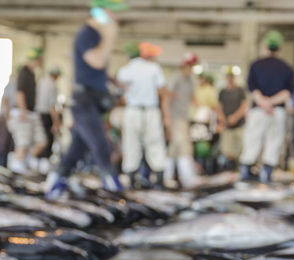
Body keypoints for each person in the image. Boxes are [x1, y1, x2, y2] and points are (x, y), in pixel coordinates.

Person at [45, 0, 128, 199]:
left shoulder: (95, 36)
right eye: (112, 13)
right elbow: (97, 61)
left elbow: (93, 69)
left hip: (92, 102)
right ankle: (114, 188)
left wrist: (114, 81)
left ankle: (54, 184)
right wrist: (109, 35)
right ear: (100, 13)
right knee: (101, 146)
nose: (116, 18)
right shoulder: (87, 35)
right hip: (83, 102)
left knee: (77, 148)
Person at [239, 30, 294, 182]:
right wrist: (271, 103)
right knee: (273, 145)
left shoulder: (256, 65)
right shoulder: (287, 68)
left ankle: (245, 177)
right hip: (277, 111)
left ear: (265, 46)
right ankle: (266, 178)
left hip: (259, 110)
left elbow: (253, 89)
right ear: (280, 47)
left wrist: (263, 102)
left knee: (252, 143)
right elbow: (288, 92)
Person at [116, 41, 169, 189]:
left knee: (131, 144)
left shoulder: (124, 70)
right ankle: (159, 183)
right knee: (156, 144)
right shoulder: (154, 68)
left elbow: (120, 96)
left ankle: (132, 183)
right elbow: (162, 91)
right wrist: (166, 116)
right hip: (151, 111)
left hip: (133, 111)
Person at [8, 47, 47, 173]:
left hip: (32, 113)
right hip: (22, 113)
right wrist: (23, 109)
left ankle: (26, 160)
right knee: (22, 143)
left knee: (42, 141)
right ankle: (17, 167)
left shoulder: (32, 73)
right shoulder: (23, 72)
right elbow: (19, 93)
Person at [166, 52, 197, 187]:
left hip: (183, 118)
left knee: (174, 148)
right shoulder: (176, 78)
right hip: (175, 118)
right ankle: (188, 178)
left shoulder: (190, 80)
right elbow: (167, 97)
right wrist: (166, 117)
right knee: (184, 146)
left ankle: (166, 176)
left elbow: (193, 98)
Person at [217, 68, 247, 169]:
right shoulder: (222, 92)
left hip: (239, 125)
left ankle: (239, 169)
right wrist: (223, 119)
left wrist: (234, 117)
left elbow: (244, 106)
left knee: (241, 150)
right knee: (227, 150)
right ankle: (228, 169)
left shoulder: (240, 90)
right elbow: (219, 107)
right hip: (227, 127)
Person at [35, 67, 62, 174]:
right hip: (46, 115)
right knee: (47, 139)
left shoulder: (40, 82)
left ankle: (37, 164)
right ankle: (44, 168)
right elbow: (52, 106)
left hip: (37, 114)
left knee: (39, 138)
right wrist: (56, 122)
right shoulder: (52, 85)